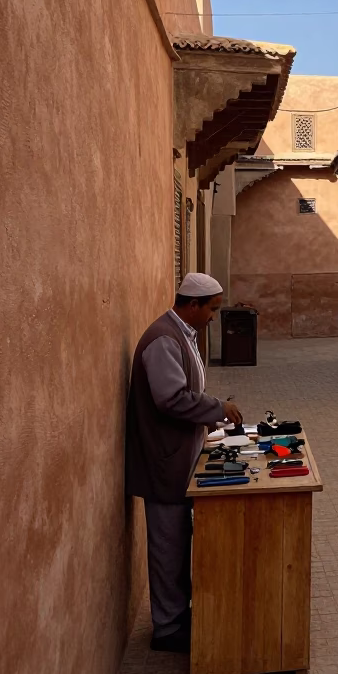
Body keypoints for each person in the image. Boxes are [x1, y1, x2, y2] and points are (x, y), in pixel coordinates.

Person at [125, 272, 243, 653]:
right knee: (166, 545)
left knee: (178, 543)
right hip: (164, 462)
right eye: (212, 309)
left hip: (178, 457)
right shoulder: (163, 339)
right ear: (192, 305)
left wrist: (211, 417)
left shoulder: (183, 334)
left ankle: (178, 614)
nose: (213, 317)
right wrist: (216, 408)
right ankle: (168, 627)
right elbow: (172, 398)